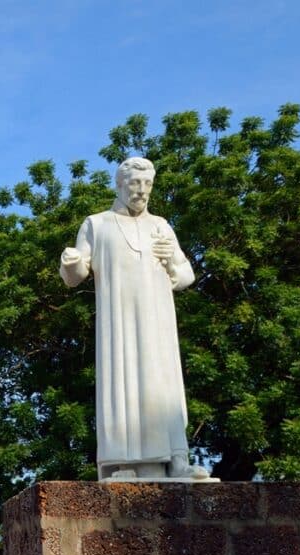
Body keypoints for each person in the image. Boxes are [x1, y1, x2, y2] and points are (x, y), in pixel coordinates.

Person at [60, 157, 209, 480]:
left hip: (158, 319)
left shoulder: (161, 225)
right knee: (124, 381)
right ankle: (122, 463)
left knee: (163, 384)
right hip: (120, 322)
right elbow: (75, 275)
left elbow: (186, 275)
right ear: (119, 184)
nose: (141, 191)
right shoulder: (96, 224)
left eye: (147, 185)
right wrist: (71, 262)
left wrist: (171, 261)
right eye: (134, 184)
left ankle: (177, 460)